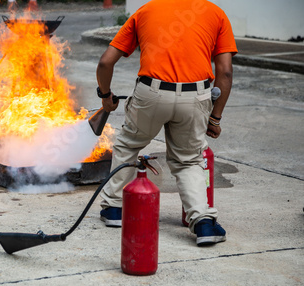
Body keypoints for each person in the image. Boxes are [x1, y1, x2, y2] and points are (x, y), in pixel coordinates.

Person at [96, 0, 238, 246]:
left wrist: (106, 96)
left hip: (151, 93)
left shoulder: (145, 11)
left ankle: (115, 209)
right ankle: (203, 222)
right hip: (196, 97)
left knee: (129, 146)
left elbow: (105, 62)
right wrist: (214, 118)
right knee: (189, 160)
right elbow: (224, 72)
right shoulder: (216, 13)